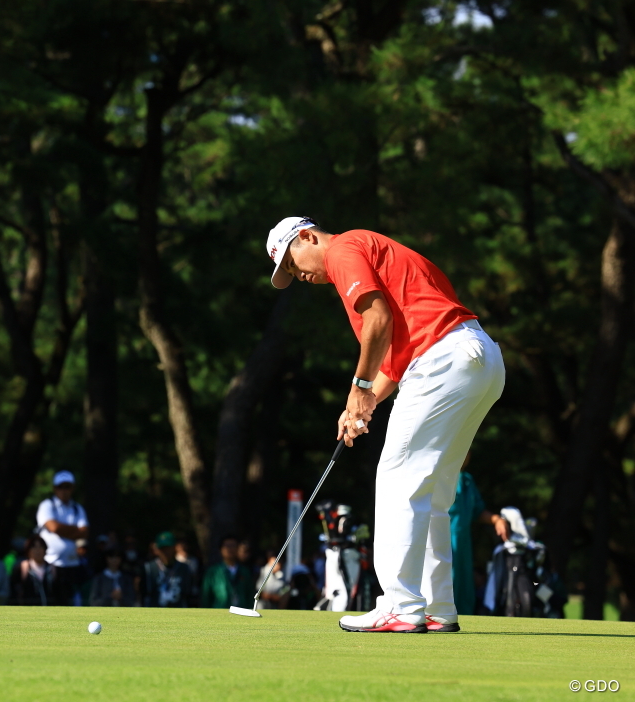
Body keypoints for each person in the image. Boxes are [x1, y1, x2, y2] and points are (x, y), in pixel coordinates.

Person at [267, 216, 505, 634]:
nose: (298, 275)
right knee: (431, 490)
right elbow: (396, 361)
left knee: (398, 478)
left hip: (443, 361)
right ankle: (436, 606)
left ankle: (400, 605)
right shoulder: (381, 251)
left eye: (292, 262)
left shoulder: (343, 249)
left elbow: (377, 321)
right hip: (478, 359)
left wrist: (358, 387)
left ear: (306, 236)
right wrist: (363, 403)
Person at [448, 453, 510, 615]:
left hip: (463, 546)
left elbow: (478, 511)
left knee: (465, 587)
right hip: (442, 542)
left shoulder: (467, 480)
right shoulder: (440, 477)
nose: (465, 455)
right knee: (445, 583)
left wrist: (497, 519)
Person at [35, 470, 89, 605]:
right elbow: (54, 527)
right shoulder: (47, 505)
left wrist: (61, 530)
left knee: (71, 601)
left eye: (67, 486)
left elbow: (84, 532)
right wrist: (73, 531)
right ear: (54, 488)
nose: (64, 490)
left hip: (72, 564)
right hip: (51, 563)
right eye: (60, 487)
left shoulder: (77, 508)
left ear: (73, 488)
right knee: (51, 601)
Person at [200, 536, 255, 610]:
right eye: (227, 546)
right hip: (218, 613)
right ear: (221, 549)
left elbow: (250, 596)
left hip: (242, 612)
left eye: (233, 546)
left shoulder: (245, 571)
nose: (230, 549)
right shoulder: (213, 572)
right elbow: (206, 596)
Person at [143, 531, 193, 608]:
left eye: (168, 548)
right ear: (157, 549)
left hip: (179, 611)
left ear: (174, 548)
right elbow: (144, 592)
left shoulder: (184, 568)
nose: (165, 552)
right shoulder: (149, 568)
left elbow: (188, 593)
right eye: (162, 548)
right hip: (155, 611)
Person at [11, 535, 60, 606]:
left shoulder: (53, 569)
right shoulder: (22, 568)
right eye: (34, 547)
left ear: (45, 549)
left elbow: (59, 593)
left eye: (40, 547)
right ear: (28, 550)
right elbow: (14, 592)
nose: (38, 550)